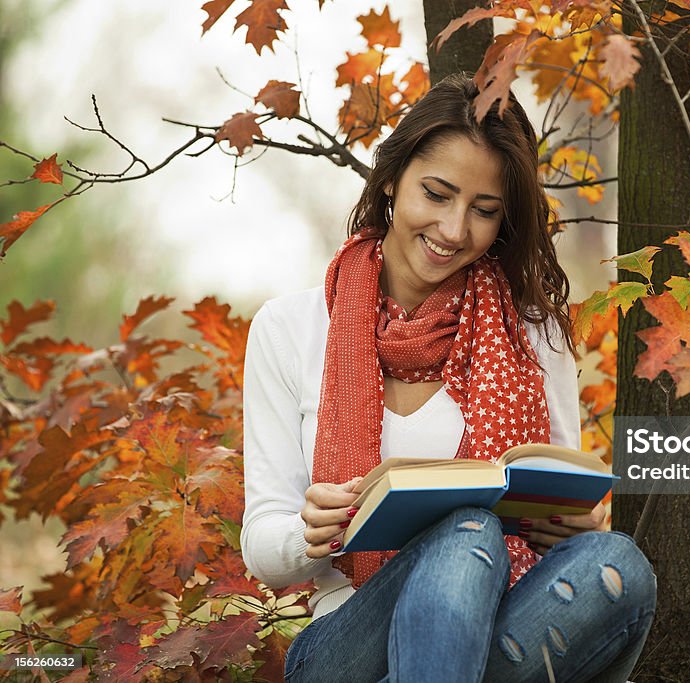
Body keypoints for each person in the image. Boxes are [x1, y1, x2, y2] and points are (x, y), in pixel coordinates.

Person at [241, 72, 656, 683]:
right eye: (436, 194)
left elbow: (557, 490)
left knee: (616, 561)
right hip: (345, 646)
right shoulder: (290, 328)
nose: (455, 230)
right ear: (390, 182)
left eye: (483, 211)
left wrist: (573, 524)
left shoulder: (533, 336)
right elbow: (262, 548)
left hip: (509, 619)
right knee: (467, 529)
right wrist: (310, 531)